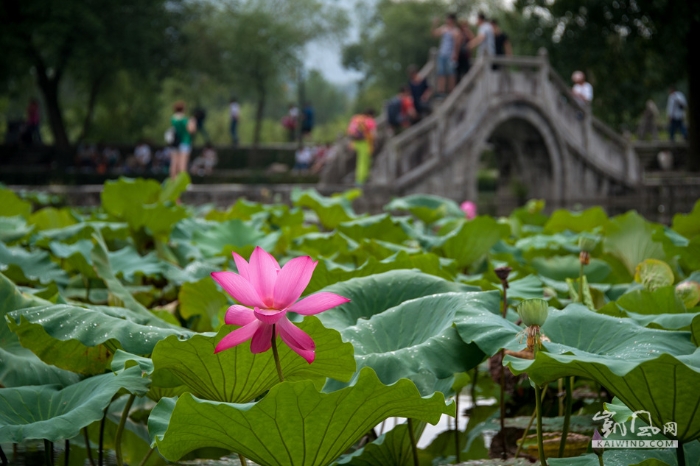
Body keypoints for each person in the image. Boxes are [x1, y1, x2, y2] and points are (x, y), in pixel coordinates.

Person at [432, 13, 461, 94]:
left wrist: (456, 54)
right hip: (442, 53)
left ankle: (451, 90)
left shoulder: (456, 31)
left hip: (451, 55)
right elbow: (434, 34)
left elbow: (458, 43)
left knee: (451, 73)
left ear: (452, 20)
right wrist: (435, 24)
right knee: (441, 73)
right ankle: (441, 91)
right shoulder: (444, 28)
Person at [347, 109, 377, 185]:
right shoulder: (370, 120)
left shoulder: (356, 119)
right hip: (365, 142)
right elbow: (373, 133)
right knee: (364, 161)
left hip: (356, 142)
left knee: (359, 161)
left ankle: (359, 179)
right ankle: (361, 180)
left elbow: (350, 131)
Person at [169, 101, 196, 180]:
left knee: (174, 163)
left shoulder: (173, 119)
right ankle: (182, 182)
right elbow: (191, 130)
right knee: (183, 164)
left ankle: (173, 180)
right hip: (185, 141)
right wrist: (193, 122)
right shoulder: (184, 119)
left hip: (175, 142)